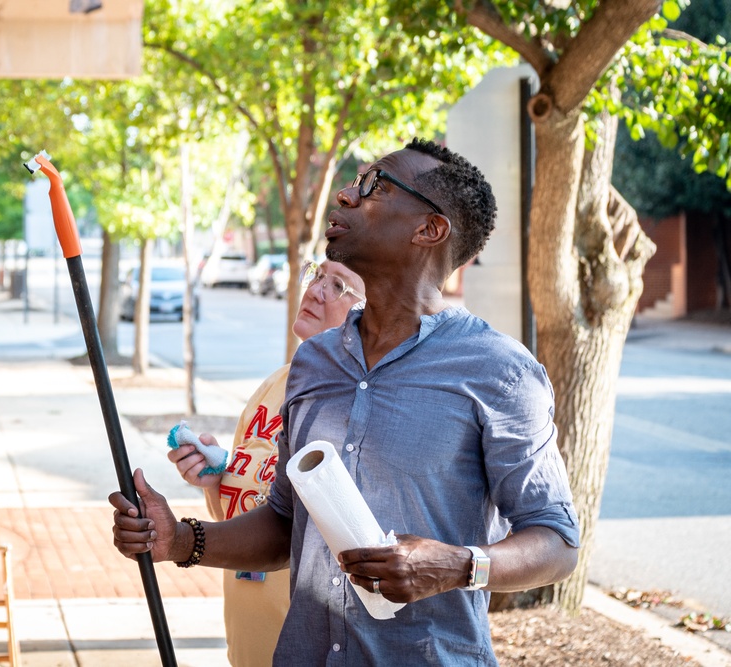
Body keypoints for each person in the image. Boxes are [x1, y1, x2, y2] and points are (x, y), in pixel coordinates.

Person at [111, 138, 580, 665]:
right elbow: (286, 523)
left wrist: (456, 565)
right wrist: (178, 540)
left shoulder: (499, 371)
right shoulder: (313, 364)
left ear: (429, 229)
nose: (344, 196)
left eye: (373, 187)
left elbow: (557, 541)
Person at [169, 259, 365, 667]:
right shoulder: (275, 384)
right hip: (246, 639)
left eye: (338, 286)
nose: (314, 291)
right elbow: (236, 510)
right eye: (317, 275)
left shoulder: (357, 403)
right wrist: (213, 478)